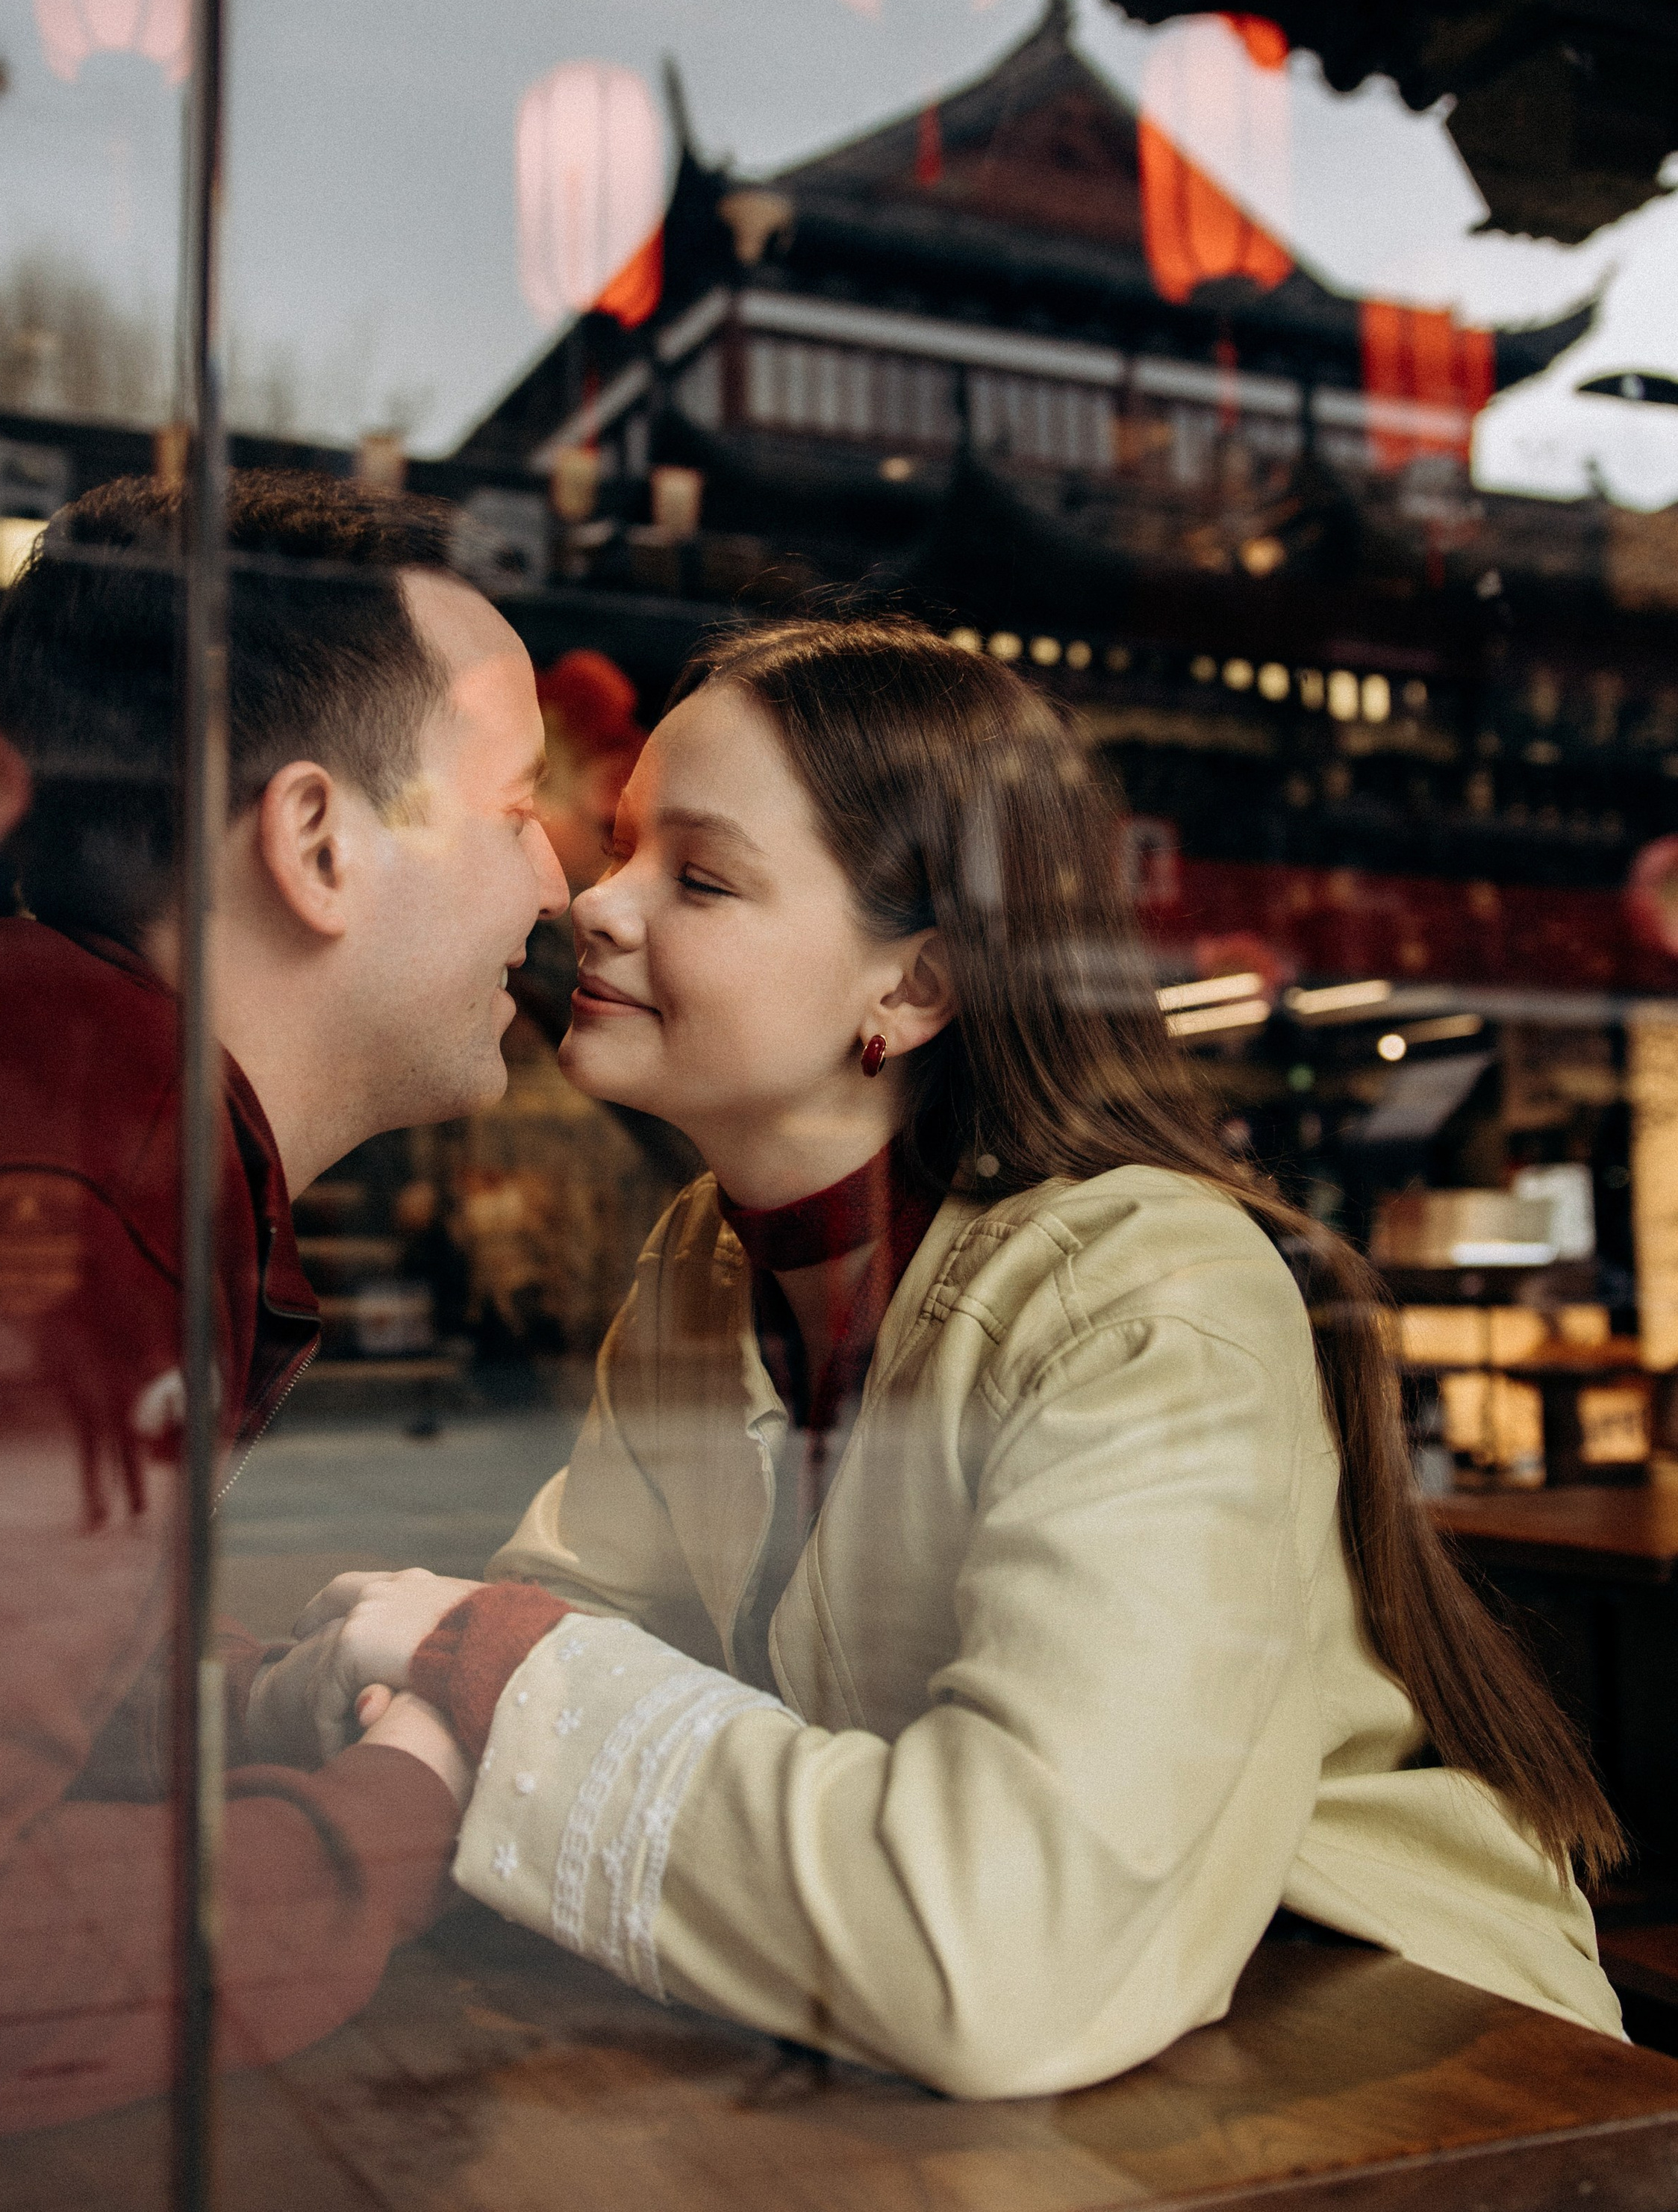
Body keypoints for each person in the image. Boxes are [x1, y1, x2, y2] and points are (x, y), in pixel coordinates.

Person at [300, 613, 1624, 2100]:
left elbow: (1006, 1941)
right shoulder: (706, 1259)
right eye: (616, 851)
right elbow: (580, 1631)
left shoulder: (1148, 1293)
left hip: (1401, 2076)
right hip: (1077, 2088)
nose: (593, 907)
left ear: (910, 990)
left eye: (700, 876)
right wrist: (442, 1672)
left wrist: (477, 1661)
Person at [0, 468, 568, 2160]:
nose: (561, 885)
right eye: (516, 808)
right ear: (316, 843)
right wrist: (404, 1797)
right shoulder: (43, 1213)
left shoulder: (35, 1101)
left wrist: (268, 1699)